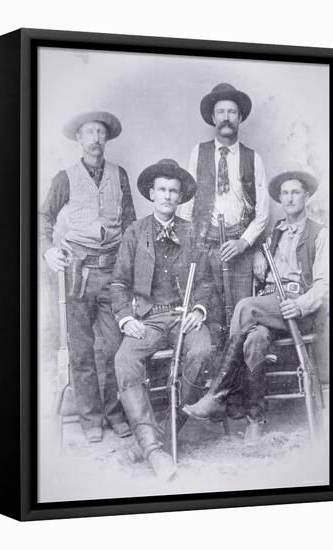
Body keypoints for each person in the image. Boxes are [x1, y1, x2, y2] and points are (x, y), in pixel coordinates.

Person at [183, 171, 328, 440]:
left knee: (245, 307)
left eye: (296, 192)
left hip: (296, 309)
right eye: (285, 193)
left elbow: (324, 286)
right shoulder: (277, 232)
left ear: (307, 196)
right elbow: (267, 266)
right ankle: (255, 419)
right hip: (270, 306)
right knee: (254, 341)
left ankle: (217, 393)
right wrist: (261, 257)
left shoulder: (320, 234)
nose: (290, 198)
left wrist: (299, 305)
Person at [111, 159, 214, 481]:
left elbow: (206, 283)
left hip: (184, 315)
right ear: (151, 194)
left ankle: (157, 439)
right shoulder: (135, 232)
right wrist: (126, 317)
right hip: (149, 318)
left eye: (174, 191)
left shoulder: (192, 232)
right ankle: (155, 451)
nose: (168, 196)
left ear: (180, 196)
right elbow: (118, 283)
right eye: (162, 190)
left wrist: (198, 310)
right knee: (125, 360)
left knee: (201, 352)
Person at [39, 111, 136, 443]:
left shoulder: (119, 175)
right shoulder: (65, 177)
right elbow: (43, 217)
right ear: (79, 139)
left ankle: (115, 413)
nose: (96, 138)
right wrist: (48, 249)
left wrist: (129, 265)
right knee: (81, 349)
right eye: (89, 132)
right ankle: (90, 418)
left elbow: (131, 225)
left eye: (100, 132)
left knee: (113, 347)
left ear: (106, 139)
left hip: (113, 270)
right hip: (78, 271)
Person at [179, 82, 269, 328]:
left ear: (240, 117)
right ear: (212, 117)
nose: (226, 118)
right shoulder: (198, 153)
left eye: (231, 112)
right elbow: (187, 202)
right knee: (209, 315)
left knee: (241, 319)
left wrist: (244, 243)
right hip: (206, 247)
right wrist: (186, 244)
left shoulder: (253, 158)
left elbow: (262, 213)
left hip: (240, 249)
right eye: (221, 112)